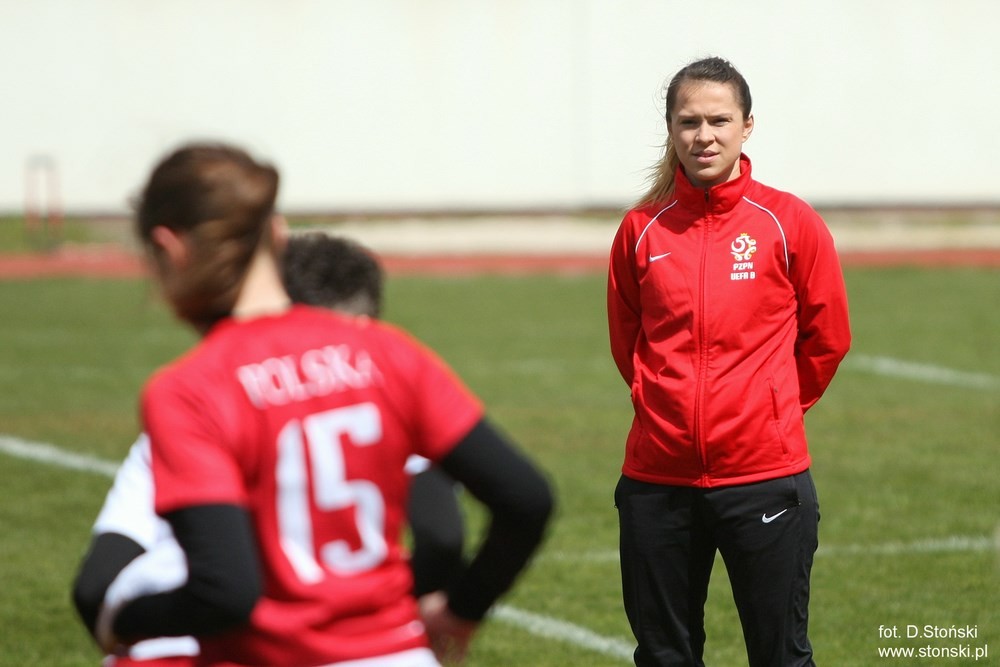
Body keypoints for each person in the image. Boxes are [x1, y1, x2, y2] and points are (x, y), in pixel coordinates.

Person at [74, 142, 553, 667]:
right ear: (278, 235)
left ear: (171, 249)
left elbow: (227, 592)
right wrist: (463, 610)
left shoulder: (190, 389)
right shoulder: (387, 351)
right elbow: (526, 499)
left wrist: (122, 619)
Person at [73, 233, 469, 666]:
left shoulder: (193, 410)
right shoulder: (383, 393)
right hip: (365, 645)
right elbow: (446, 536)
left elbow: (96, 586)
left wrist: (122, 621)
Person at [607, 57, 851, 667]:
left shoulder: (789, 221)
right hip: (657, 483)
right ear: (671, 130)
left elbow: (828, 338)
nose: (704, 136)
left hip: (764, 477)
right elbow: (628, 342)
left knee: (780, 657)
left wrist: (769, 410)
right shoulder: (640, 228)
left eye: (719, 120)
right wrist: (664, 409)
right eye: (689, 122)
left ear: (747, 126)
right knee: (664, 656)